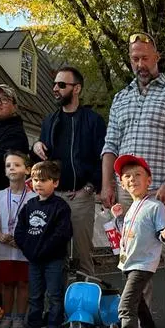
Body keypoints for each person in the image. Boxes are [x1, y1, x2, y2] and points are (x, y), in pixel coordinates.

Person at [100, 32, 165, 328]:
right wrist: (107, 183)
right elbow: (110, 144)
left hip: (162, 187)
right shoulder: (120, 98)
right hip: (126, 190)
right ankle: (143, 321)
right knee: (134, 255)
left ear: (157, 57)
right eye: (134, 59)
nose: (139, 64)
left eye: (144, 57)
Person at [95, 155, 165, 328]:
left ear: (149, 180)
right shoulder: (132, 207)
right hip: (128, 262)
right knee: (137, 302)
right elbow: (130, 233)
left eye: (138, 175)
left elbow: (160, 233)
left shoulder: (155, 206)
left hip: (143, 263)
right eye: (127, 176)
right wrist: (119, 219)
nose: (132, 179)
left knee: (126, 304)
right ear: (121, 183)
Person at [33, 67, 106, 278]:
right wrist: (36, 146)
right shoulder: (49, 120)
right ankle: (57, 306)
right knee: (55, 254)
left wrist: (90, 187)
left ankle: (87, 304)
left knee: (83, 255)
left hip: (81, 195)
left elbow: (103, 157)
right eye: (55, 84)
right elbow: (42, 158)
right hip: (53, 196)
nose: (56, 89)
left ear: (77, 89)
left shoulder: (93, 120)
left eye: (62, 85)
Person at [14, 160, 73, 328]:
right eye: (35, 179)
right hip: (34, 259)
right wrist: (29, 251)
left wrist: (44, 250)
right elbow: (20, 231)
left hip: (54, 259)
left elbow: (63, 233)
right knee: (34, 294)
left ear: (54, 182)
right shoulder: (29, 206)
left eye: (43, 180)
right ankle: (34, 326)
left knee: (54, 294)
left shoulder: (60, 206)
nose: (38, 183)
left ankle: (54, 327)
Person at [0, 151, 32, 328]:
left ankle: (20, 317)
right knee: (7, 283)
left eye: (17, 165)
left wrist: (23, 241)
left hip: (23, 249)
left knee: (23, 283)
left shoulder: (33, 197)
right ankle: (6, 315)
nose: (12, 168)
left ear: (27, 170)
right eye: (8, 165)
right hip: (4, 247)